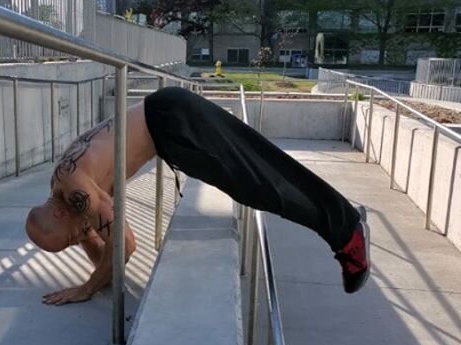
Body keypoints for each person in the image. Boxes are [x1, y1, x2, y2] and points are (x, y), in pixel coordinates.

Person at [25, 87, 370, 306]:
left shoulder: (77, 194)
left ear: (58, 214)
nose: (79, 239)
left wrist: (86, 288)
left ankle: (347, 232)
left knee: (259, 183)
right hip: (169, 115)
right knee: (261, 166)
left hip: (173, 125)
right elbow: (104, 244)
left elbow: (123, 247)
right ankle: (344, 222)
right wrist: (89, 249)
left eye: (71, 237)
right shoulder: (64, 186)